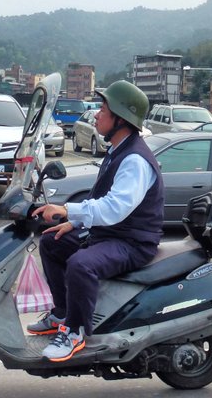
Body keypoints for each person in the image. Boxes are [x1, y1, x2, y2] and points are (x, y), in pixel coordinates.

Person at [29, 80, 165, 362]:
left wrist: (68, 211)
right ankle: (62, 312)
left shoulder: (135, 160)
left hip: (132, 242)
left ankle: (75, 331)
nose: (97, 114)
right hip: (110, 235)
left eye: (104, 109)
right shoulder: (118, 150)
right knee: (52, 241)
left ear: (121, 118)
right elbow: (99, 199)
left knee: (82, 264)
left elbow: (115, 209)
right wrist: (73, 223)